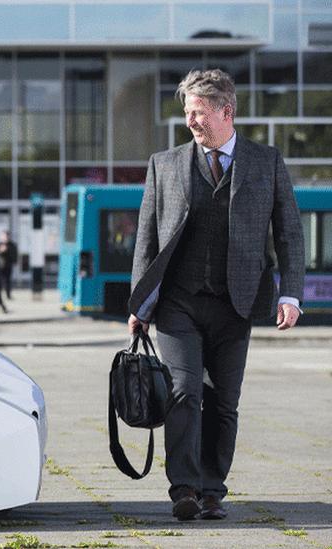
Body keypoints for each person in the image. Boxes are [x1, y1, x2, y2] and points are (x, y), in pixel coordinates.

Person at [127, 69, 304, 522]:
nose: (191, 122)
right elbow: (146, 239)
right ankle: (184, 488)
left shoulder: (267, 162)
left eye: (199, 113)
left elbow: (288, 234)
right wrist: (139, 305)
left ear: (226, 112)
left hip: (236, 303)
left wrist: (291, 295)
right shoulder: (163, 164)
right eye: (188, 113)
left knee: (225, 402)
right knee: (184, 391)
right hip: (178, 304)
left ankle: (212, 491)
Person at [0, 230, 18, 300]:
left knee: (7, 281)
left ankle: (8, 295)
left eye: (6, 236)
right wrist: (1, 251)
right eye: (4, 236)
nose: (5, 237)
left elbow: (14, 255)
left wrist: (7, 251)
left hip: (8, 266)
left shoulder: (12, 245)